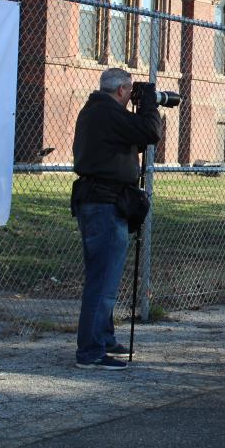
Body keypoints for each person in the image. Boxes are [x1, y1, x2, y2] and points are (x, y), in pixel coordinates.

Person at [71, 68, 161, 370]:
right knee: (102, 281)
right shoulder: (106, 112)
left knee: (103, 276)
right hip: (104, 205)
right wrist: (149, 103)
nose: (131, 95)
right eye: (131, 90)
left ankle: (104, 338)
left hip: (100, 202)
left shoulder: (96, 111)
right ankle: (91, 351)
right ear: (122, 90)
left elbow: (135, 137)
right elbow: (150, 132)